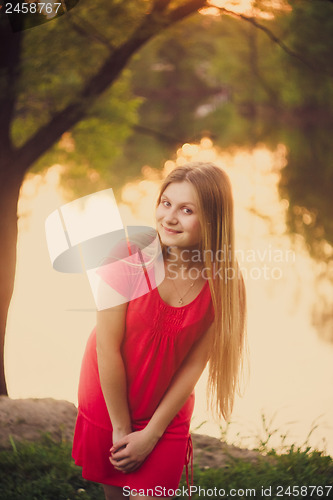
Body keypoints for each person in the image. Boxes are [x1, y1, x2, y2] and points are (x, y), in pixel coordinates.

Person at [72, 162, 247, 500]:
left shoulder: (225, 283)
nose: (169, 217)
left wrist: (151, 433)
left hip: (165, 406)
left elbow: (194, 365)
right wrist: (122, 430)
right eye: (166, 203)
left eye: (187, 210)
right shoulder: (127, 255)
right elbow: (106, 347)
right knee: (117, 494)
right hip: (111, 395)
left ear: (213, 219)